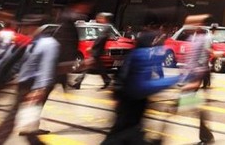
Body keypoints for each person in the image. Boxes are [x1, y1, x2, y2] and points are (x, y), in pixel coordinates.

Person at [103, 12, 178, 144]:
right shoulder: (147, 44)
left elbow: (152, 67)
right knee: (122, 136)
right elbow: (140, 84)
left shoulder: (147, 41)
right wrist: (172, 80)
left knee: (123, 134)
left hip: (132, 101)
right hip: (130, 101)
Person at [179, 15, 214, 144]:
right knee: (192, 106)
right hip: (189, 76)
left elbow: (202, 61)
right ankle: (206, 135)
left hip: (196, 76)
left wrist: (196, 81)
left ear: (198, 24)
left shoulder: (203, 39)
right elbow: (190, 60)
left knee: (193, 106)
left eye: (190, 23)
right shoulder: (192, 38)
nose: (187, 26)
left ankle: (206, 136)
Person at [73, 12, 114, 90]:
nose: (99, 19)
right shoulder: (105, 27)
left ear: (105, 19)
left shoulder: (107, 27)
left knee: (87, 66)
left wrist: (92, 48)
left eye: (101, 18)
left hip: (97, 51)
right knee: (98, 67)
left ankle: (78, 82)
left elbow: (100, 39)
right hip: (97, 51)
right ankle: (106, 79)